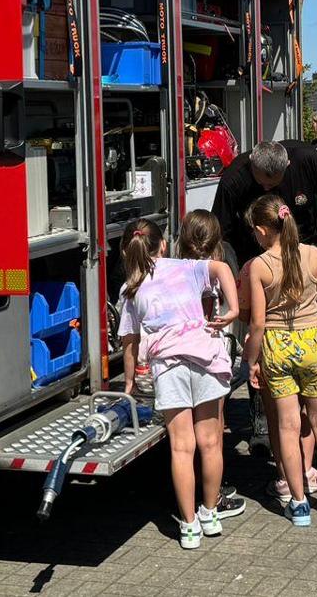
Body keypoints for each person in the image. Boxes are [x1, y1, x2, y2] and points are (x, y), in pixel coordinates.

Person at [116, 221, 241, 549]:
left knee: (181, 447)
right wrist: (234, 310)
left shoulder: (130, 288)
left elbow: (130, 343)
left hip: (168, 368)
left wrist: (129, 382)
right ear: (163, 246)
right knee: (211, 443)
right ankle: (210, 514)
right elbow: (222, 267)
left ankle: (188, 527)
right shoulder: (187, 267)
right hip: (205, 359)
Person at [241, 194, 317, 526]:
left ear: (262, 230)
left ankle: (299, 503)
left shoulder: (259, 266)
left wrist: (251, 360)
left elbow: (257, 322)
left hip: (276, 345)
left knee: (288, 426)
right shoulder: (314, 254)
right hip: (313, 339)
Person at [213, 140, 317, 266]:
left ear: (287, 165)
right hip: (255, 255)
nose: (266, 189)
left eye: (272, 184)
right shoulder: (232, 180)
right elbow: (221, 230)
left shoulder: (309, 159)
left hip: (304, 246)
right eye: (261, 182)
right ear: (252, 164)